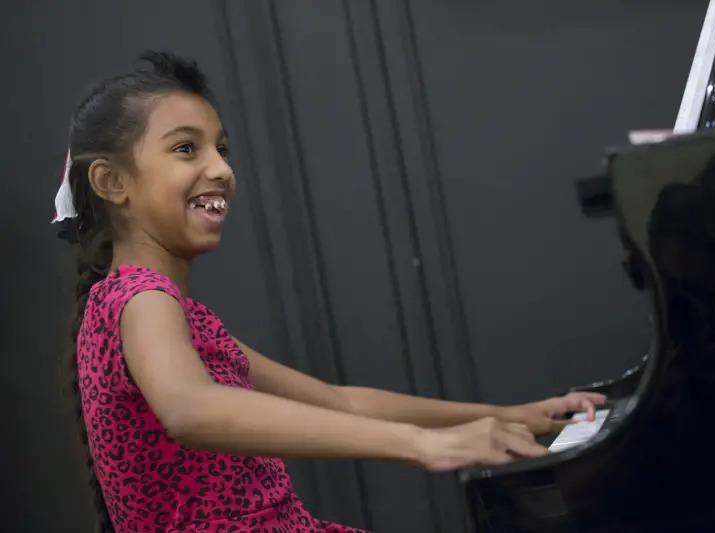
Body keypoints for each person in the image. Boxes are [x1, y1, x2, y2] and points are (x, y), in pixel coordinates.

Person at [56, 51, 605, 533]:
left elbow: (341, 400)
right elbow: (189, 408)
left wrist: (516, 414)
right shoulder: (138, 295)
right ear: (112, 183)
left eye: (221, 148)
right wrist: (421, 445)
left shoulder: (175, 315)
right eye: (185, 149)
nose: (221, 169)